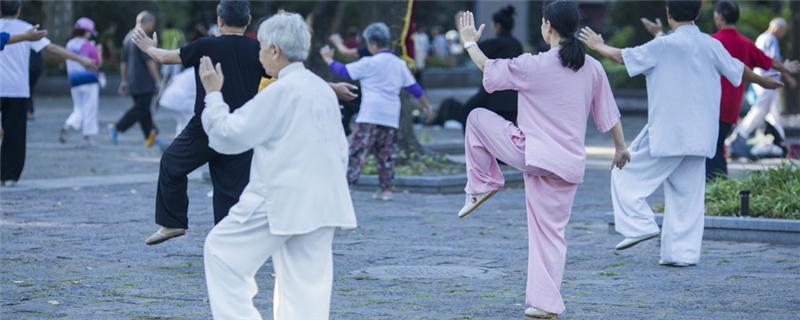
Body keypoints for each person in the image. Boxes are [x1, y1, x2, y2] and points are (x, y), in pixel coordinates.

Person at [132, 0, 357, 245]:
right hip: (242, 126)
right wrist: (333, 86)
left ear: (220, 20)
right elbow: (292, 75)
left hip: (205, 126)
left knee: (171, 163)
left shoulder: (206, 45)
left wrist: (148, 47)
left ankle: (173, 223)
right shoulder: (256, 49)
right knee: (231, 191)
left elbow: (165, 58)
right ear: (248, 21)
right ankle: (227, 240)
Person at [455, 2, 630, 317]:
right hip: (569, 165)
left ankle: (484, 182)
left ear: (548, 25)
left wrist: (469, 41)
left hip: (532, 154)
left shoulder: (535, 64)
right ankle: (545, 304)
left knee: (478, 118)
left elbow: (489, 69)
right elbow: (609, 115)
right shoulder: (593, 68)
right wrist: (620, 148)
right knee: (551, 235)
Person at [579, 0, 783, 267]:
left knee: (624, 174)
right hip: (701, 135)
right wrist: (762, 80)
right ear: (698, 14)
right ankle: (681, 255)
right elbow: (737, 68)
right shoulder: (710, 45)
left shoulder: (663, 46)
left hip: (668, 133)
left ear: (668, 14)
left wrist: (597, 45)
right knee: (687, 197)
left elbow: (622, 56)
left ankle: (639, 225)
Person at [199, 12, 357, 320]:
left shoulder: (282, 91)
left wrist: (214, 95)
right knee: (306, 286)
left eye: (260, 47)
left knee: (221, 253)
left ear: (275, 50)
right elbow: (341, 149)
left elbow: (228, 136)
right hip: (324, 199)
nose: (259, 55)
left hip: (280, 196)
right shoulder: (321, 89)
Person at [658, 0, 800, 179]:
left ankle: (715, 186)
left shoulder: (712, 42)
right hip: (731, 108)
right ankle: (718, 187)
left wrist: (659, 35)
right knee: (716, 146)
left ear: (719, 16)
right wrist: (785, 69)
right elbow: (767, 60)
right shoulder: (745, 43)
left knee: (710, 149)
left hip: (709, 105)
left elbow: (680, 53)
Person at [321, 22, 433, 201]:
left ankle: (346, 186)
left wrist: (328, 59)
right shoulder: (399, 64)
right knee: (386, 154)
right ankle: (386, 189)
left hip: (370, 114)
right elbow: (415, 89)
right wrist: (427, 107)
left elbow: (344, 71)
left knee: (356, 151)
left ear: (373, 44)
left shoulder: (369, 63)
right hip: (390, 116)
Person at [1, 0, 97, 187]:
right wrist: (81, 60)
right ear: (19, 9)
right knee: (15, 134)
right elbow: (52, 49)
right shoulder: (27, 29)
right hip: (17, 89)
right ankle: (8, 176)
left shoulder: (23, 31)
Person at [729, 17, 797, 159]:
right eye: (783, 31)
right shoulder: (771, 39)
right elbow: (772, 60)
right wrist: (787, 74)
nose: (782, 34)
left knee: (773, 113)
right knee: (761, 111)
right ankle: (740, 136)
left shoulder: (761, 38)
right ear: (778, 28)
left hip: (762, 80)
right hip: (768, 81)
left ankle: (780, 141)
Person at [456, 5, 524, 126]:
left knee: (467, 111)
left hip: (495, 97)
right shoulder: (517, 44)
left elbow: (469, 48)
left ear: (497, 26)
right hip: (514, 100)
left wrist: (461, 27)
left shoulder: (496, 43)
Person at [108, 11, 161, 148]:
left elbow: (123, 62)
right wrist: (157, 80)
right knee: (141, 109)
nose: (152, 26)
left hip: (133, 81)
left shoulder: (128, 37)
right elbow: (149, 61)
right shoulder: (142, 37)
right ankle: (117, 127)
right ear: (147, 22)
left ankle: (151, 136)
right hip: (144, 81)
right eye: (152, 23)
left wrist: (124, 80)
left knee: (143, 110)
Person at [59, 17, 103, 147]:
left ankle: (68, 125)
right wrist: (99, 51)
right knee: (90, 108)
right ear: (87, 32)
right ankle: (87, 138)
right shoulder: (89, 45)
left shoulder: (69, 44)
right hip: (89, 80)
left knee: (78, 108)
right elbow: (97, 63)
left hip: (74, 80)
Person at [158, 66, 196, 137]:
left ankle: (179, 138)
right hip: (178, 98)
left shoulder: (191, 70)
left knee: (182, 122)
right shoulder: (197, 71)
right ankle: (182, 140)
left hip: (170, 96)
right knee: (190, 120)